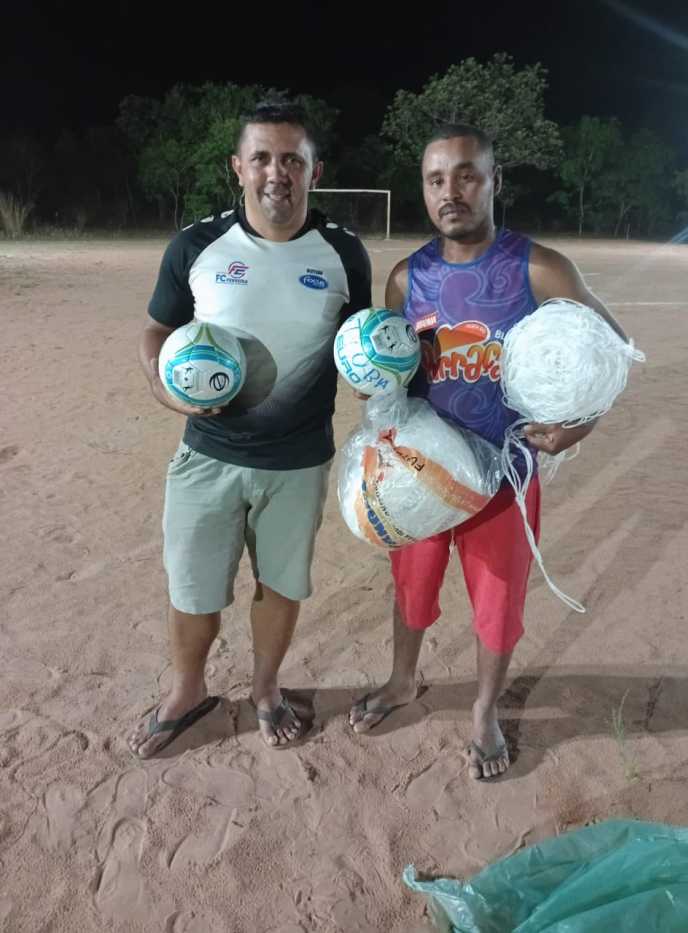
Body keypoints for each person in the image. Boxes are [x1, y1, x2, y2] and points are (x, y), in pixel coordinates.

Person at [348, 124, 627, 780]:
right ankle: (402, 680)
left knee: (499, 608)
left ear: (495, 181)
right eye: (436, 179)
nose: (451, 191)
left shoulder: (539, 268)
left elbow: (613, 349)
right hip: (421, 476)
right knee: (411, 588)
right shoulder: (406, 278)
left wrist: (580, 425)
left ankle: (483, 710)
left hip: (506, 479)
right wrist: (375, 396)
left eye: (467, 175)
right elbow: (395, 376)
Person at [128, 101, 371, 757]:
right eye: (261, 157)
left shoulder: (344, 252)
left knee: (280, 586)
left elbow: (356, 344)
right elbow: (157, 329)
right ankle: (187, 690)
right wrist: (161, 386)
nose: (276, 172)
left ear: (315, 170)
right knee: (193, 586)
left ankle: (266, 688)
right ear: (238, 167)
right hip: (207, 454)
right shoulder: (196, 246)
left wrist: (378, 376)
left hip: (298, 461)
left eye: (292, 159)